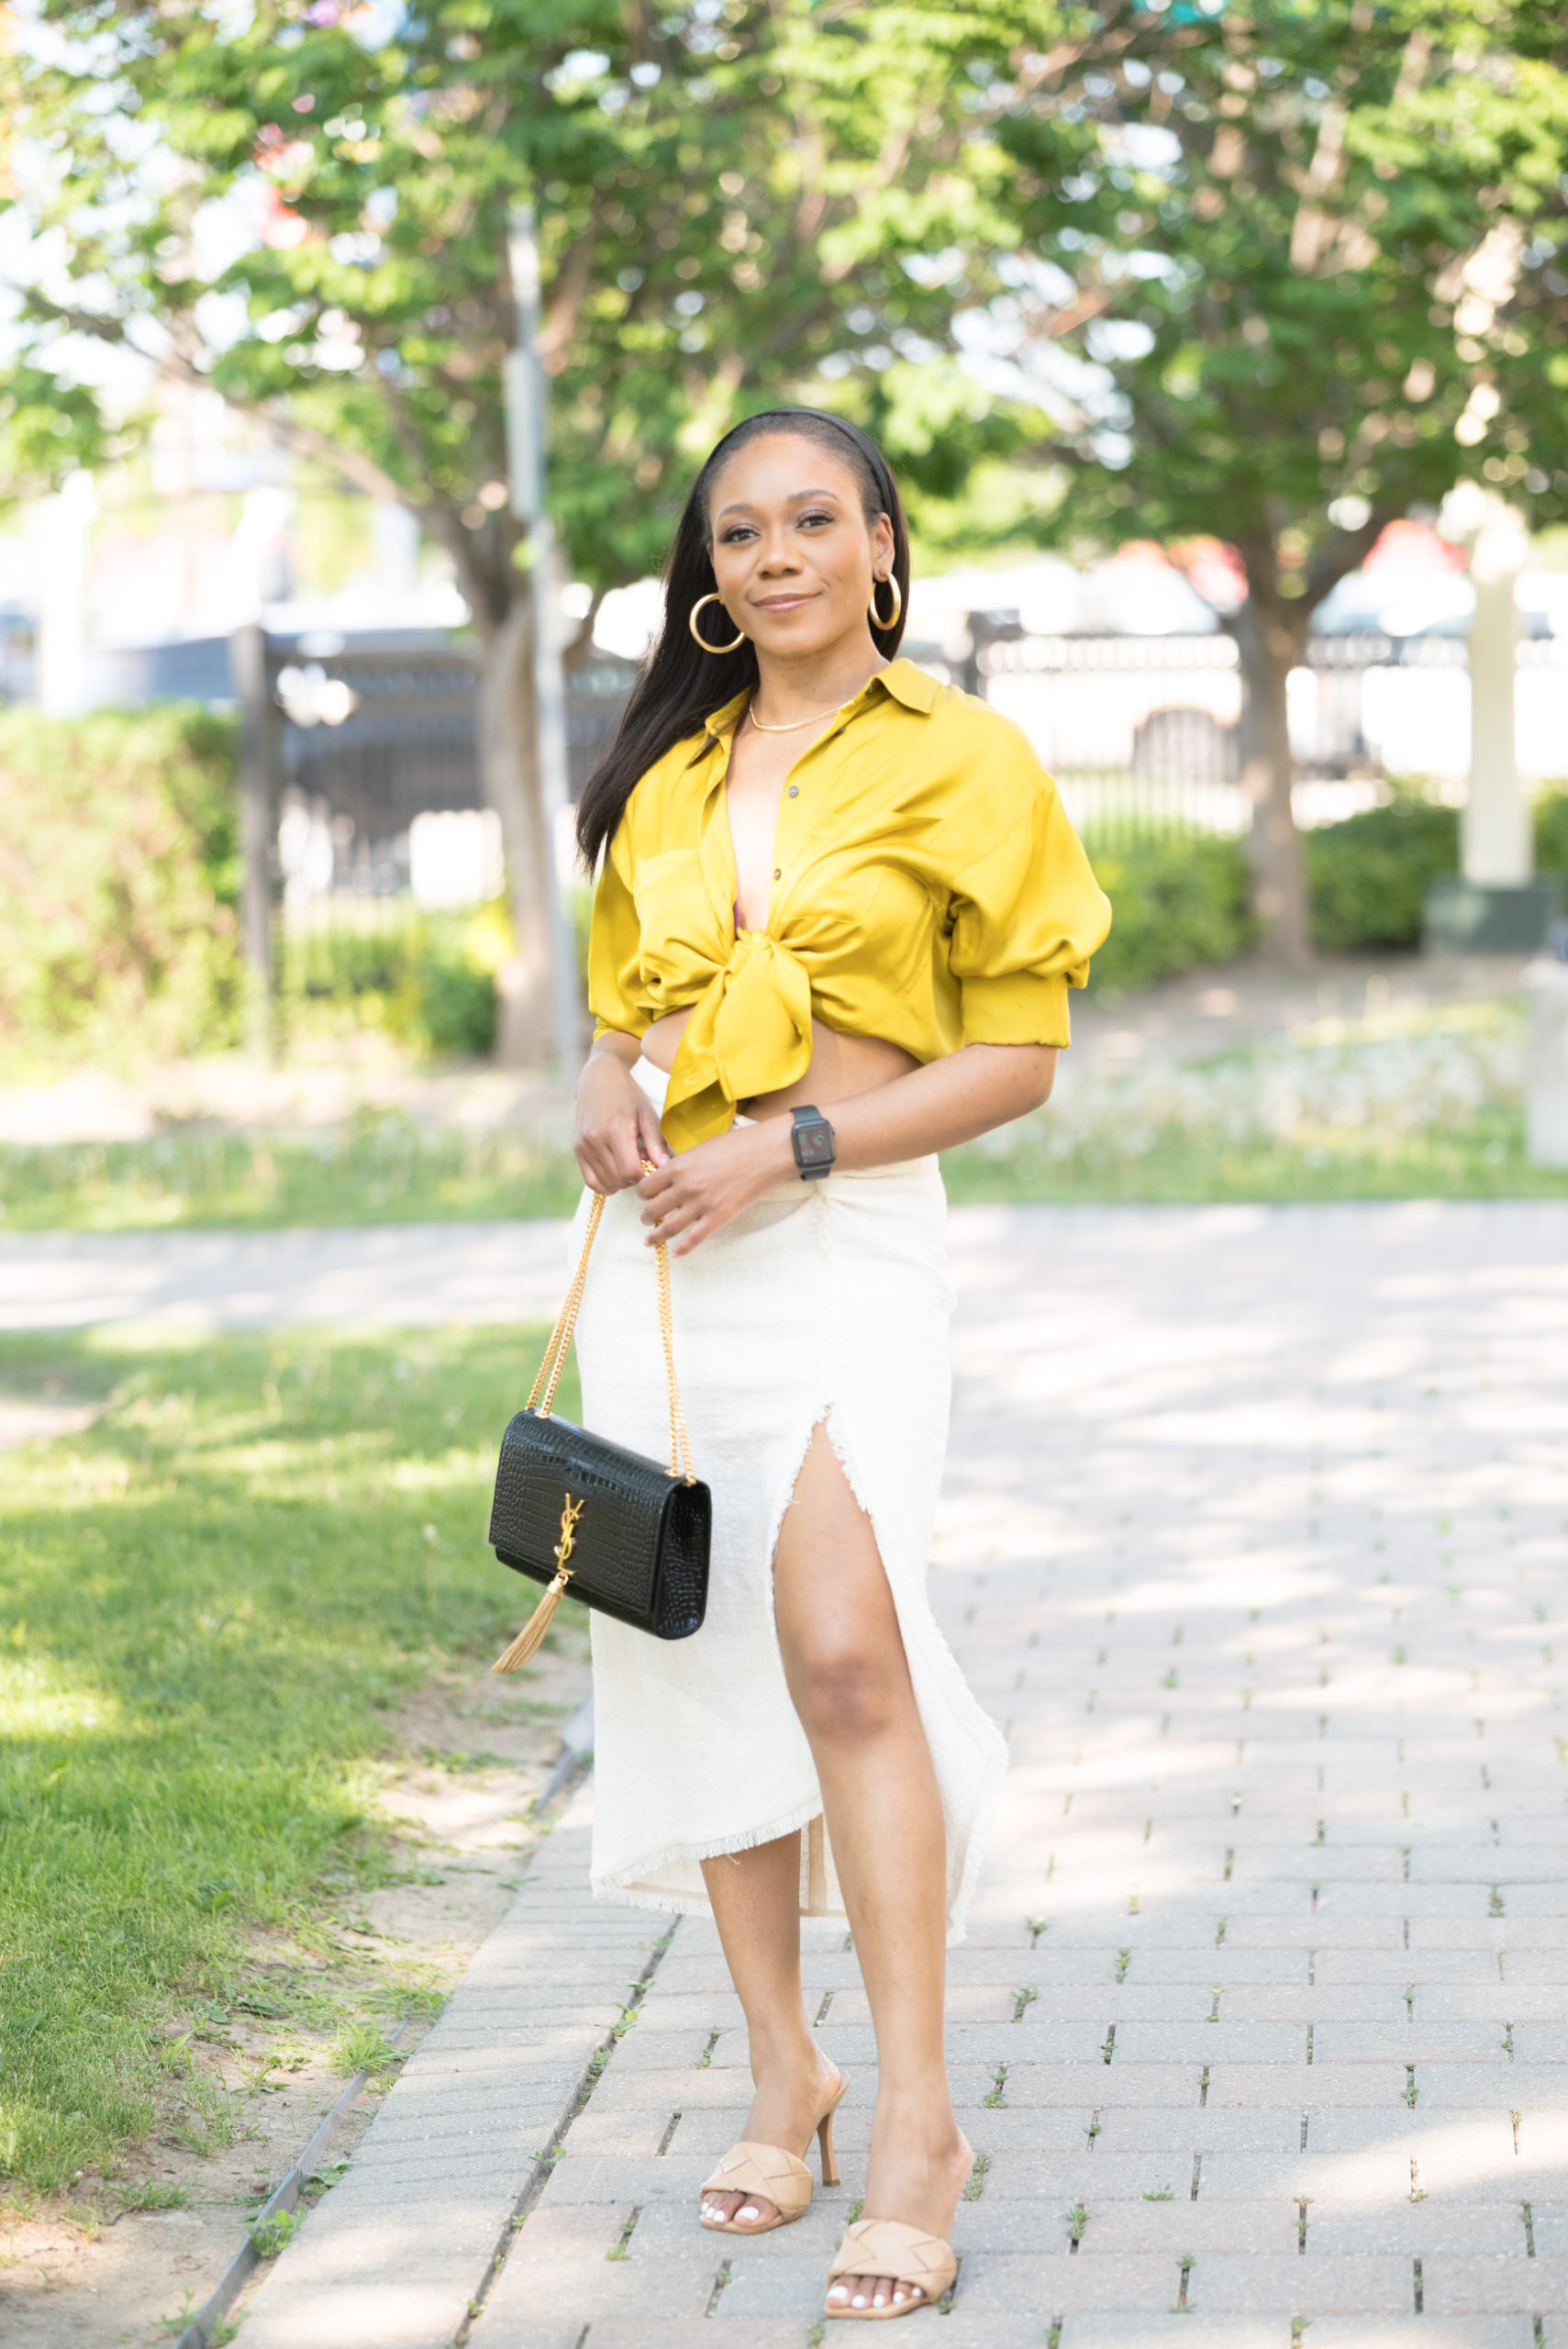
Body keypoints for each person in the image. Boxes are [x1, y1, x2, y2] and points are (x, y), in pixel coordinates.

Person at [570, 407, 1110, 2322]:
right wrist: (603, 1091)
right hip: (681, 1250)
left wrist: (794, 1142)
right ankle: (781, 2067)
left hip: (846, 1237)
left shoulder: (966, 757)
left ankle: (918, 2121)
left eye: (814, 518)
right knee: (704, 1645)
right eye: (740, 530)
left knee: (846, 1649)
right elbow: (624, 1009)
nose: (776, 552)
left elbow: (1021, 1056)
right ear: (708, 572)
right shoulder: (672, 770)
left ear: (883, 539)